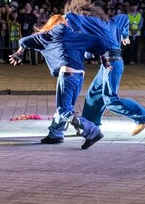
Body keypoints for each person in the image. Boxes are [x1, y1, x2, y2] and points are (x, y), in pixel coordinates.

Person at [9, 14, 108, 149]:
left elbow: (24, 40)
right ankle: (56, 133)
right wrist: (103, 58)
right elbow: (98, 41)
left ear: (51, 24)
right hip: (79, 76)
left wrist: (19, 52)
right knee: (66, 107)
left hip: (67, 75)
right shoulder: (77, 35)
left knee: (64, 110)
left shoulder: (49, 35)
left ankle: (92, 131)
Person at [64, 0, 145, 136]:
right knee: (94, 93)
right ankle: (90, 126)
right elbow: (124, 18)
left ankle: (144, 117)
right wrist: (124, 35)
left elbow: (71, 19)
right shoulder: (109, 22)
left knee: (110, 100)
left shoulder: (88, 21)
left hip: (113, 62)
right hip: (106, 63)